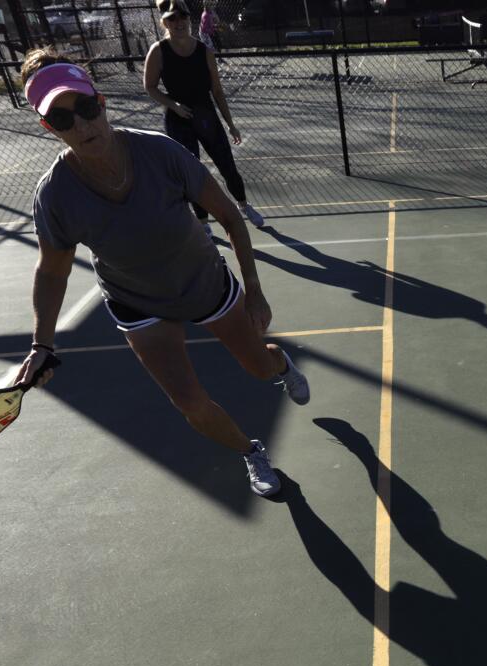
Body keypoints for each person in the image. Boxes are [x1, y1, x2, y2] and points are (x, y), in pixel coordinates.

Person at [18, 50, 309, 497]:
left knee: (258, 367)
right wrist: (42, 344)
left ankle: (279, 364)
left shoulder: (160, 153)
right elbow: (52, 272)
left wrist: (254, 290)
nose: (81, 125)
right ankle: (251, 451)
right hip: (137, 303)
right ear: (47, 128)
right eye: (61, 119)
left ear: (101, 102)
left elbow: (230, 218)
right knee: (189, 403)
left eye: (87, 108)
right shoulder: (55, 194)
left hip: (205, 283)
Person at [144, 0, 263, 236]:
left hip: (206, 116)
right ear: (164, 23)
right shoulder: (158, 51)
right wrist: (173, 105)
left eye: (182, 17)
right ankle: (203, 221)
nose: (178, 22)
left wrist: (231, 125)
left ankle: (242, 204)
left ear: (190, 18)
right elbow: (150, 87)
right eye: (172, 19)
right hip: (179, 119)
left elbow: (217, 91)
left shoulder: (204, 51)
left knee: (227, 165)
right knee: (191, 171)